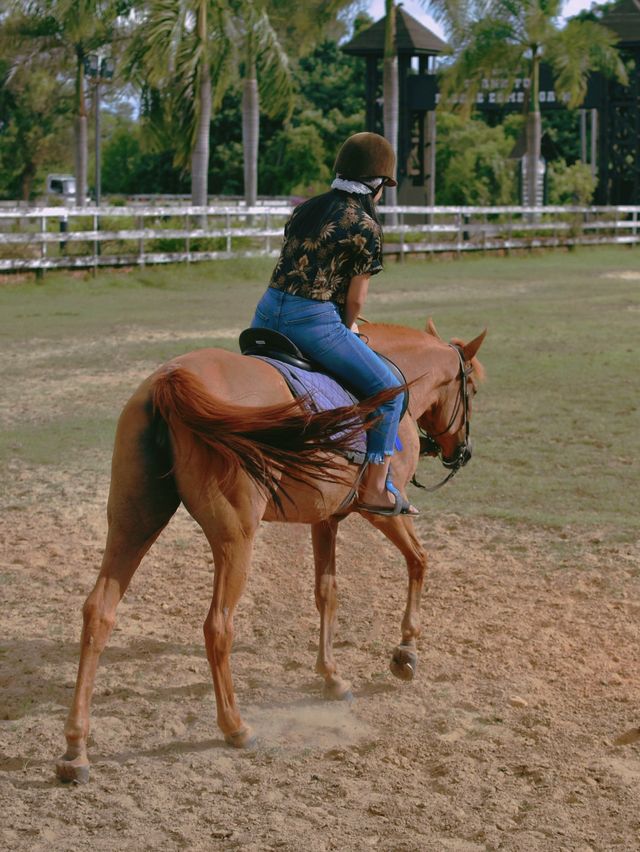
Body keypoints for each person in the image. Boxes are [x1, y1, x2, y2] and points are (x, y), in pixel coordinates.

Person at [251, 132, 417, 516]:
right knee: (389, 392)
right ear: (377, 183)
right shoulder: (364, 225)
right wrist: (347, 328)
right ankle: (376, 488)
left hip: (265, 313)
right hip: (312, 321)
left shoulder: (305, 209)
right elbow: (355, 299)